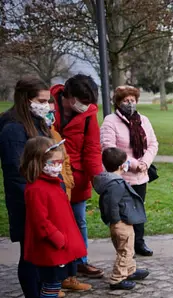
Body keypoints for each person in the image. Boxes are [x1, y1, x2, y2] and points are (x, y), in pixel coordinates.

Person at [0, 78, 82, 298]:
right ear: (27, 101)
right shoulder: (13, 129)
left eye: (48, 101)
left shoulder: (38, 123)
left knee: (46, 255)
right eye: (42, 101)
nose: (47, 106)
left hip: (45, 196)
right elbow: (17, 171)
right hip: (28, 200)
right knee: (31, 253)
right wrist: (36, 198)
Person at [20, 137, 87, 298]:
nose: (59, 166)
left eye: (60, 162)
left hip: (59, 246)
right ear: (38, 162)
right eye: (54, 162)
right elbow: (41, 222)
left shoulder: (53, 183)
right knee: (50, 289)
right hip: (51, 248)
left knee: (53, 286)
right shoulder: (36, 189)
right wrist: (58, 239)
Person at [51, 74, 104, 279]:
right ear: (69, 95)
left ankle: (80, 261)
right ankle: (57, 266)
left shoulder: (89, 115)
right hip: (52, 172)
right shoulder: (49, 105)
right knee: (54, 221)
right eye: (82, 102)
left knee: (79, 219)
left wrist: (98, 179)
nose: (85, 106)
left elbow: (92, 149)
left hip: (77, 176)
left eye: (88, 102)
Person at [101, 85, 159, 257]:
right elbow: (109, 148)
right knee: (124, 213)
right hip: (121, 176)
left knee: (138, 209)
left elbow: (153, 144)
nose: (130, 104)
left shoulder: (143, 120)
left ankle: (139, 242)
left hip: (141, 175)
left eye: (132, 100)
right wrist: (134, 164)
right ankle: (126, 247)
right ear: (118, 102)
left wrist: (145, 163)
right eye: (126, 100)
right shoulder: (110, 121)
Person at [93, 148, 151, 290]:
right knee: (125, 250)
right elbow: (112, 204)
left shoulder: (110, 180)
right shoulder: (116, 184)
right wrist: (116, 221)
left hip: (122, 221)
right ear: (121, 166)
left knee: (128, 247)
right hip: (121, 222)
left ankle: (129, 270)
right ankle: (117, 278)